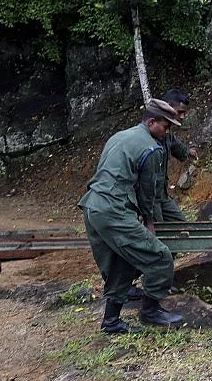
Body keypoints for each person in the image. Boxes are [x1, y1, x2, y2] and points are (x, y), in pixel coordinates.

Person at [78, 99, 185, 334]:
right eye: (166, 127)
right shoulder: (151, 148)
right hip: (113, 209)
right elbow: (149, 191)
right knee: (160, 256)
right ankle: (150, 311)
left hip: (92, 205)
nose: (167, 133)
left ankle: (111, 322)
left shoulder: (120, 136)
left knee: (121, 262)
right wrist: (148, 221)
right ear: (151, 122)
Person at [156, 89, 199, 222]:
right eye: (180, 112)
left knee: (180, 224)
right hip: (149, 197)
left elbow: (174, 144)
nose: (182, 117)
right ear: (168, 107)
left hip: (161, 195)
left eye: (184, 113)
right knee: (157, 231)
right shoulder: (153, 131)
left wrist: (188, 152)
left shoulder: (167, 133)